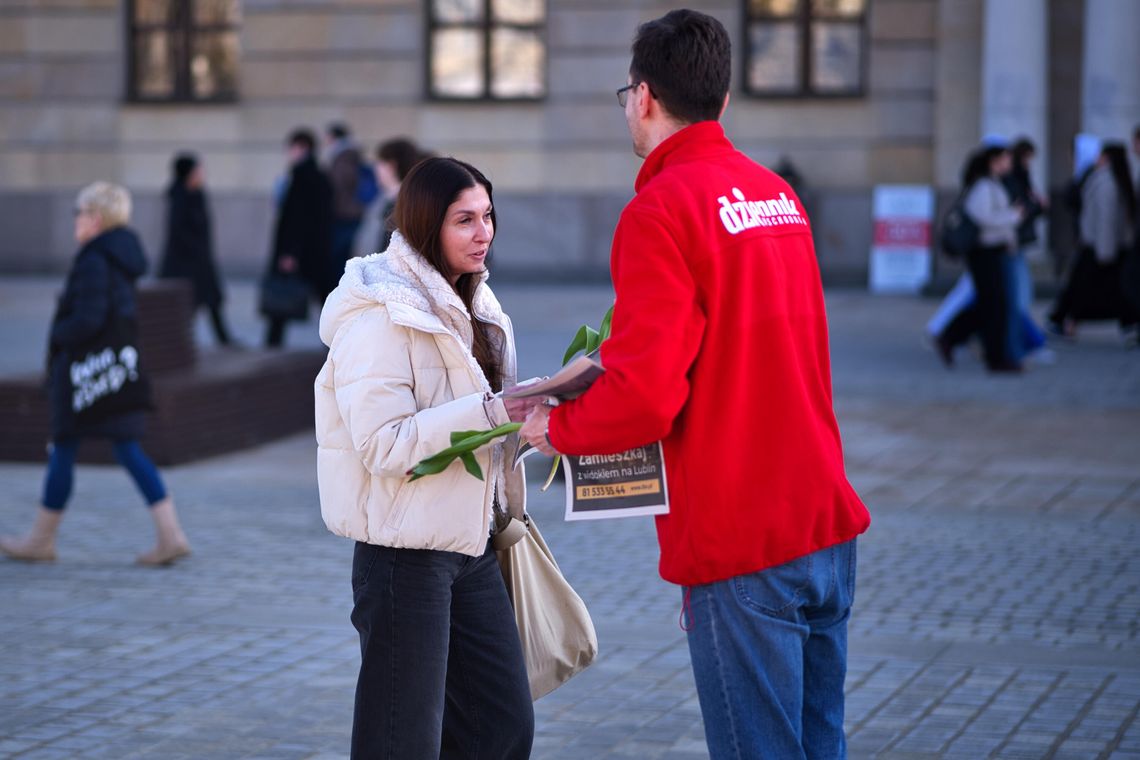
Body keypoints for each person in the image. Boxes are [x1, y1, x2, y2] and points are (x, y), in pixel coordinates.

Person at [518, 11, 870, 758]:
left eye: (627, 96)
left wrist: (557, 428)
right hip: (823, 521)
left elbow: (647, 396)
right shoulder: (776, 195)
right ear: (724, 98)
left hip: (742, 538)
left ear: (643, 97)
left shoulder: (661, 210)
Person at [314, 157, 543, 759]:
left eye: (488, 215)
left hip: (470, 544)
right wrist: (495, 412)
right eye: (464, 219)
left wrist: (534, 419)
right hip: (403, 555)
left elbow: (480, 419)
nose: (483, 232)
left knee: (502, 726)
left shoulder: (475, 302)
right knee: (402, 741)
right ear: (425, 224)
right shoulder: (382, 315)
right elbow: (383, 442)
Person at [0, 182, 190, 566]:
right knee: (126, 447)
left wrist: (59, 334)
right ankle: (171, 534)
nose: (75, 219)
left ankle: (40, 540)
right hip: (113, 372)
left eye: (80, 212)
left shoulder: (94, 258)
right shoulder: (120, 255)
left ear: (96, 218)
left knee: (64, 446)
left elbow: (88, 318)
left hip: (85, 374)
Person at [935, 145, 1025, 372]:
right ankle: (993, 356)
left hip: (993, 250)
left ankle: (955, 338)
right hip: (984, 252)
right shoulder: (983, 185)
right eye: (1005, 159)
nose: (1009, 163)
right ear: (994, 161)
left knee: (991, 305)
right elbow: (982, 216)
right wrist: (1013, 216)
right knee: (994, 306)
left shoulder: (992, 183)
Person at [1048, 143, 1138, 342]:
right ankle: (1126, 323)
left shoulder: (1106, 181)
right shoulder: (1112, 178)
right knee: (1106, 287)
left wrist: (1104, 249)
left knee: (1085, 286)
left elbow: (1106, 218)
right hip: (1103, 244)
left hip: (1100, 245)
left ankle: (1065, 320)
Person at [264, 128, 335, 348]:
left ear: (302, 148)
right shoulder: (318, 176)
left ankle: (273, 343)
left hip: (301, 251)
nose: (289, 153)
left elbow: (297, 219)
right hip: (316, 251)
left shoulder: (302, 176)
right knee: (324, 299)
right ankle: (335, 343)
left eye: (292, 148)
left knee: (284, 292)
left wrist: (290, 252)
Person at [159, 152, 233, 346]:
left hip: (201, 261)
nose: (202, 174)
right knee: (190, 305)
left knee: (212, 302)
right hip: (185, 264)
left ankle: (224, 340)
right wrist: (197, 253)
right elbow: (178, 232)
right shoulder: (180, 197)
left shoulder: (198, 195)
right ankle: (181, 342)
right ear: (188, 173)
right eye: (198, 170)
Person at [325, 122, 368, 276]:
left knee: (339, 256)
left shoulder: (343, 157)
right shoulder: (351, 155)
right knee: (343, 254)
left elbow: (339, 184)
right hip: (351, 211)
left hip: (345, 213)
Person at [375, 137, 426, 252]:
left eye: (380, 163)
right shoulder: (388, 199)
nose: (376, 169)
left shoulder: (405, 205)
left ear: (391, 166)